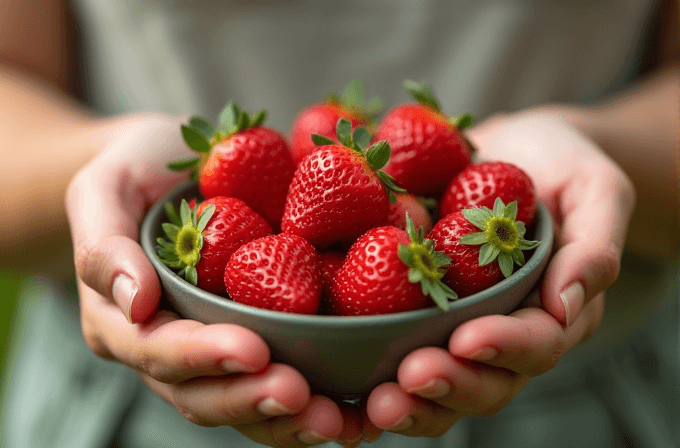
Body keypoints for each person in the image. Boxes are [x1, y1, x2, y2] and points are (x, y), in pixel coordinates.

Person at [0, 0, 677, 447]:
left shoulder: (382, 222)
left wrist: (599, 147)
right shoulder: (308, 217)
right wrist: (94, 168)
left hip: (585, 410)